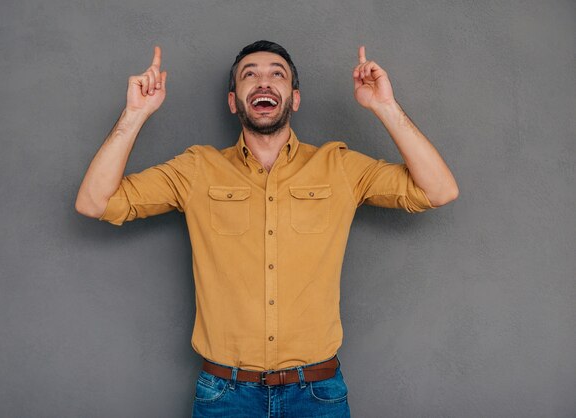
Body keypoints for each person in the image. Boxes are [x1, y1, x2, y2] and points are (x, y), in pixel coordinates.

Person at [75, 40, 458, 417]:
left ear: (293, 98)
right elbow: (95, 202)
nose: (263, 82)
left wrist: (385, 107)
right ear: (233, 100)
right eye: (249, 75)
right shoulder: (196, 169)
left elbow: (438, 190)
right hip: (224, 395)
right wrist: (134, 115)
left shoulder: (339, 166)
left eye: (278, 75)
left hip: (317, 392)